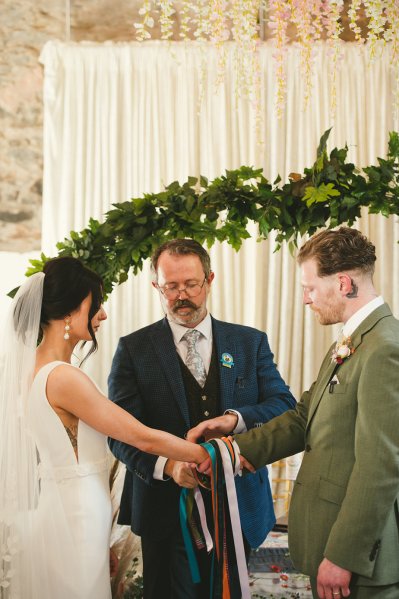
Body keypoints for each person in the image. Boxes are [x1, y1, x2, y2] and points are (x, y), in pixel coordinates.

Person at [189, 227, 399, 599]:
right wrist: (233, 450)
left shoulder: (383, 349)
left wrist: (342, 556)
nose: (305, 299)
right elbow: (305, 417)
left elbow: (380, 466)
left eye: (310, 288)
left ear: (344, 283)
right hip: (326, 537)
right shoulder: (354, 339)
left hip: (357, 562)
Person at [0, 256, 207, 599]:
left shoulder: (29, 369)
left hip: (64, 508)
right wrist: (211, 452)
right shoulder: (63, 377)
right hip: (78, 512)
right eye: (95, 304)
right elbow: (138, 435)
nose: (103, 314)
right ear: (73, 308)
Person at [107, 238, 296, 599]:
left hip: (238, 506)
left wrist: (234, 419)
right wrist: (166, 465)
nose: (182, 295)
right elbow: (119, 434)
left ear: (209, 280)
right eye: (171, 286)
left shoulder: (249, 342)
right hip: (164, 512)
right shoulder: (133, 349)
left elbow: (283, 404)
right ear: (156, 287)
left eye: (191, 284)